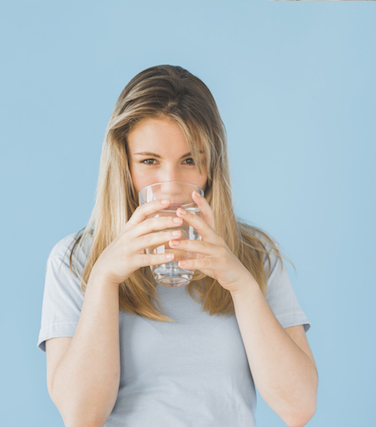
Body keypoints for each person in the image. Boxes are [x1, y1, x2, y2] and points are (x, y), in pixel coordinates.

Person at [37, 65, 318, 427]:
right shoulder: (74, 260)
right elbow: (81, 416)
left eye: (189, 161)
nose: (170, 185)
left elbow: (298, 408)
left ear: (211, 169)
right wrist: (105, 278)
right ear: (124, 166)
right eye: (149, 162)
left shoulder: (255, 256)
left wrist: (241, 284)